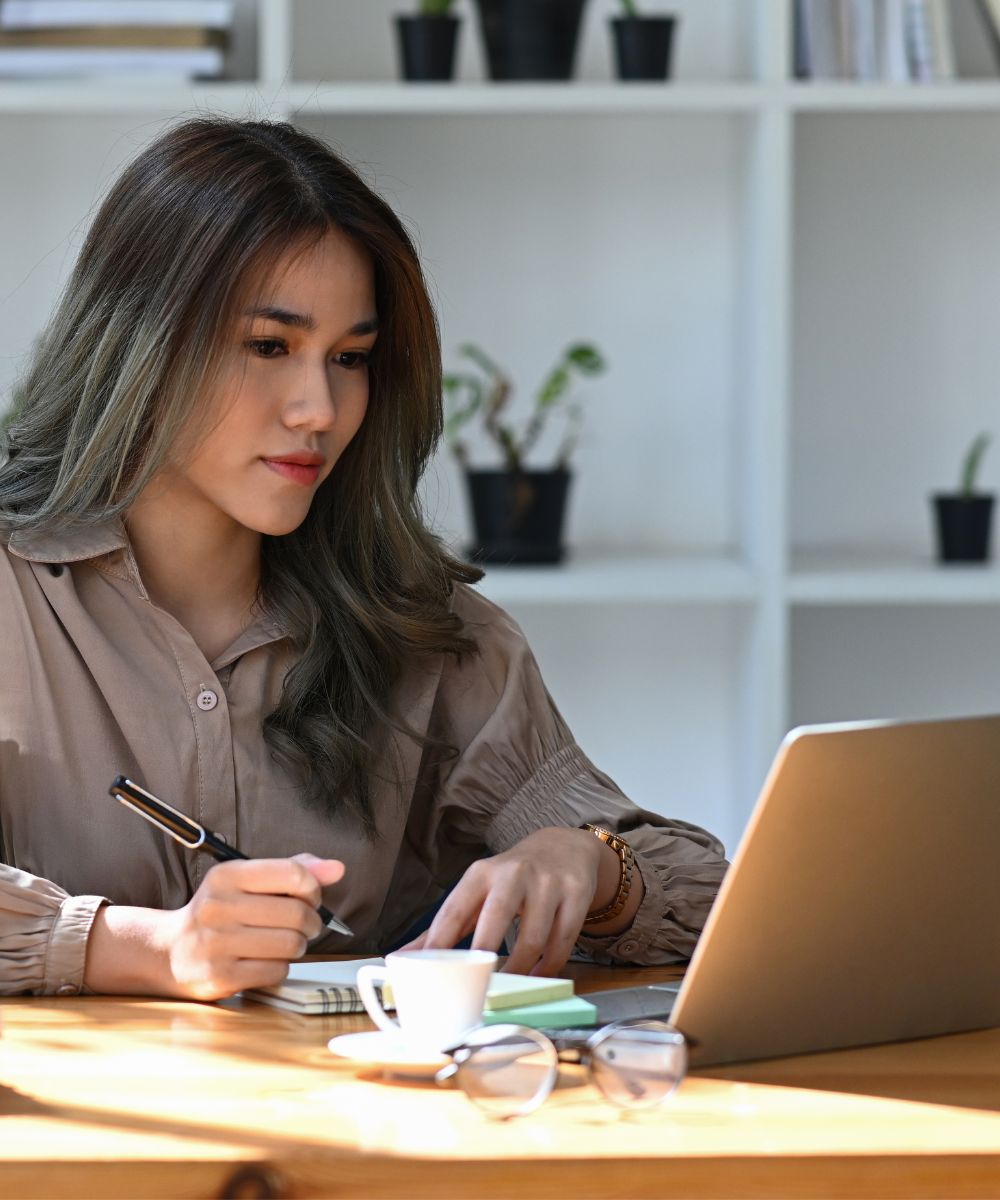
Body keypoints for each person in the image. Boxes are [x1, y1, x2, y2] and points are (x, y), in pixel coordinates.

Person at [0, 116, 728, 1001]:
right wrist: (148, 947)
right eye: (269, 347)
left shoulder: (424, 628)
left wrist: (588, 862)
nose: (319, 408)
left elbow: (710, 893)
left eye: (350, 357)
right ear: (139, 342)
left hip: (361, 1121)